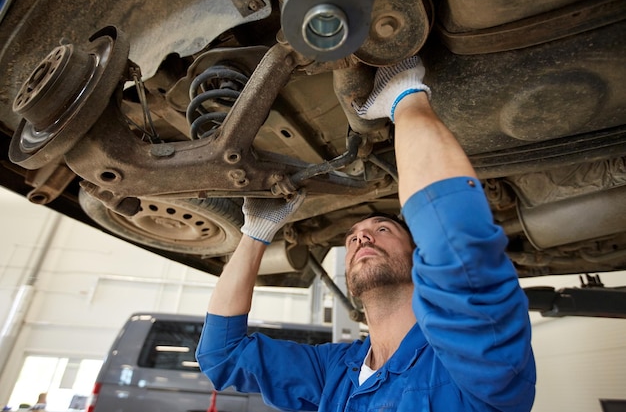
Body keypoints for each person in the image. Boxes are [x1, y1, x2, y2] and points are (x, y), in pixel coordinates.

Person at [196, 56, 536, 411]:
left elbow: (458, 251)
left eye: (382, 228)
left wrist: (408, 98)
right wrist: (256, 232)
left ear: (419, 256)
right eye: (353, 237)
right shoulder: (336, 371)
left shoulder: (469, 361)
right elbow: (222, 356)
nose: (361, 238)